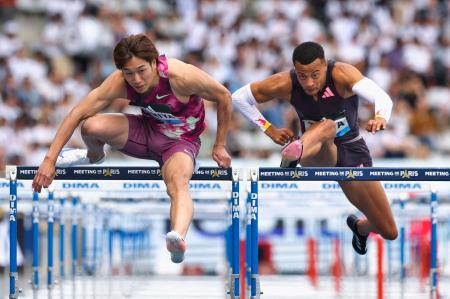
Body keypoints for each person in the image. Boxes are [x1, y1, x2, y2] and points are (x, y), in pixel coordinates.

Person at [32, 34, 232, 263]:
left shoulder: (181, 76)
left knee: (177, 183)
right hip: (146, 131)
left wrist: (219, 144)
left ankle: (177, 237)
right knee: (90, 125)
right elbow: (77, 113)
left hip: (181, 142)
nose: (136, 79)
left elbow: (224, 96)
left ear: (154, 63)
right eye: (129, 73)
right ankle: (94, 156)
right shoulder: (119, 81)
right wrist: (49, 159)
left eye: (141, 70)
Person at [232, 41, 398, 254]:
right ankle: (293, 155)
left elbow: (381, 96)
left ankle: (359, 228)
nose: (309, 82)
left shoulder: (342, 74)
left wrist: (380, 116)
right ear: (295, 70)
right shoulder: (285, 82)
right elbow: (239, 98)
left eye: (315, 75)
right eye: (302, 75)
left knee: (389, 230)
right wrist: (268, 128)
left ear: (325, 67)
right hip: (314, 152)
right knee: (327, 126)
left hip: (352, 150)